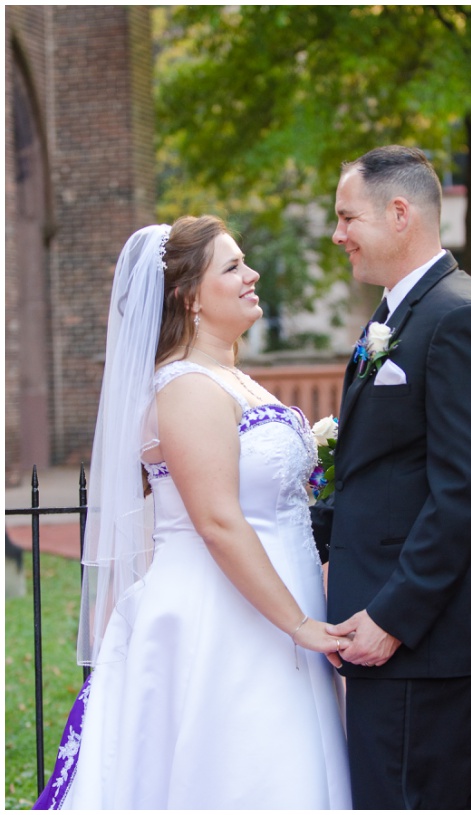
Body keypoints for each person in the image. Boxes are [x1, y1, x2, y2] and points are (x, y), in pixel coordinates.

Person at [35, 216, 351, 809]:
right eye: (231, 267)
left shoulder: (229, 379)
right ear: (188, 298)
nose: (252, 274)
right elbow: (218, 521)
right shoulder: (185, 388)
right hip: (223, 613)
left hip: (272, 598)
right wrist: (299, 624)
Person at [311, 145, 471, 809]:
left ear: (399, 212)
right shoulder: (394, 316)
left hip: (423, 635)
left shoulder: (458, 318)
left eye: (348, 217)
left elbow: (463, 491)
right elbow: (381, 475)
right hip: (392, 630)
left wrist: (392, 616)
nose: (337, 233)